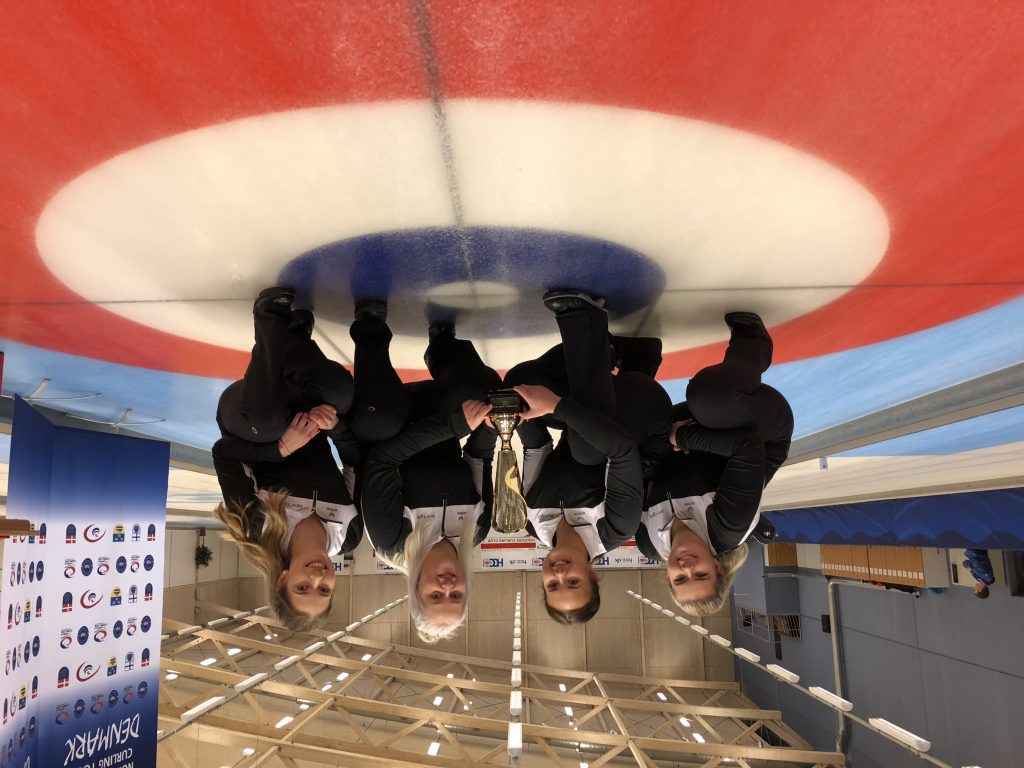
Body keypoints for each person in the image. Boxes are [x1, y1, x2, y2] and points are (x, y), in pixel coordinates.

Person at [213, 290, 399, 631]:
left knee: (268, 420)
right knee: (338, 392)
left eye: (303, 587)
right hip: (307, 416)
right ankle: (296, 335)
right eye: (324, 590)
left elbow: (223, 453)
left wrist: (281, 448)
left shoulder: (257, 528)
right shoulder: (348, 535)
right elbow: (357, 464)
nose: (317, 577)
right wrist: (335, 428)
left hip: (251, 419)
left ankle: (271, 318)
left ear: (283, 579)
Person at [505, 290, 664, 624]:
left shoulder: (533, 523)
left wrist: (512, 417)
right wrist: (555, 406)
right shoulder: (615, 527)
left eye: (552, 585)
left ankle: (621, 354)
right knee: (587, 452)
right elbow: (621, 451)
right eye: (573, 582)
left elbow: (537, 448)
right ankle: (583, 317)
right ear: (593, 575)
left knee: (518, 386)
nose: (560, 574)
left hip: (588, 412)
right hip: (642, 409)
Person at [635, 312, 793, 617]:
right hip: (757, 430)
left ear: (668, 577)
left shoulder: (648, 542)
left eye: (680, 579)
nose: (687, 568)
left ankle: (640, 352)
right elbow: (747, 447)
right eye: (700, 575)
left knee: (626, 431)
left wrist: (659, 440)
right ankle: (752, 341)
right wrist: (681, 436)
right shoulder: (730, 527)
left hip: (692, 435)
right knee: (709, 396)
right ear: (717, 567)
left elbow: (641, 474)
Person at [361, 322, 500, 643]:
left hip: (390, 418)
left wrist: (454, 426)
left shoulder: (391, 541)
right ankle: (442, 345)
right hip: (442, 412)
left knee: (376, 417)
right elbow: (479, 458)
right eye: (456, 596)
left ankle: (371, 330)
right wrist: (492, 427)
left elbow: (381, 461)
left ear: (416, 589)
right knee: (489, 392)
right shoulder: (476, 531)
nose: (448, 586)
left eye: (436, 596)